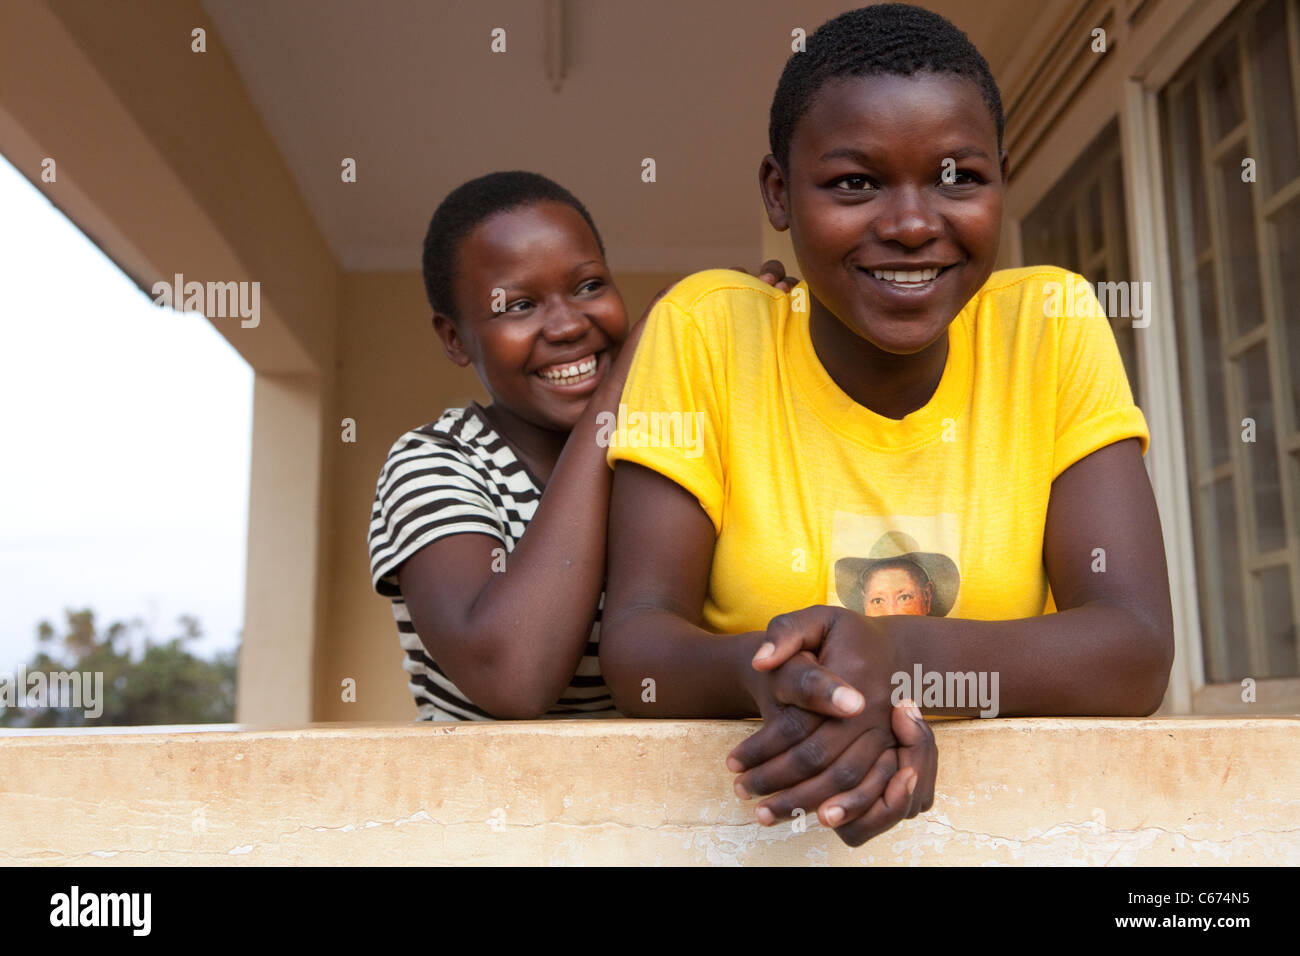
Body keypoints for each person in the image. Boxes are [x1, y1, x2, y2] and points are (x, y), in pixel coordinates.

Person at [599, 3, 1174, 848]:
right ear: (779, 194)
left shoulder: (1050, 323)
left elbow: (1133, 647)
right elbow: (640, 642)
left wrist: (891, 658)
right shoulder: (707, 333)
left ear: (1001, 182)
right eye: (855, 183)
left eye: (958, 177)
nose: (911, 224)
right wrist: (796, 684)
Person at [367, 171, 796, 720]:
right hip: (482, 804)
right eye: (519, 306)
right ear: (454, 339)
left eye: (589, 286)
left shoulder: (671, 451)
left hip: (653, 803)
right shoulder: (434, 463)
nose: (568, 325)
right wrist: (641, 362)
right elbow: (512, 677)